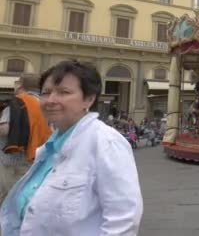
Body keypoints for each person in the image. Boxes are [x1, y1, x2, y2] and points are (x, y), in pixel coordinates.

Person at [0, 60, 143, 235]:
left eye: (64, 92)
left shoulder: (106, 142)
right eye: (46, 92)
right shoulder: (51, 146)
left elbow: (123, 220)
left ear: (89, 99)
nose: (51, 100)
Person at [0, 74, 52, 206]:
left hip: (10, 161)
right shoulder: (48, 105)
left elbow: (5, 129)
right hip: (36, 158)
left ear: (20, 86)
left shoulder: (17, 103)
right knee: (24, 195)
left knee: (6, 197)